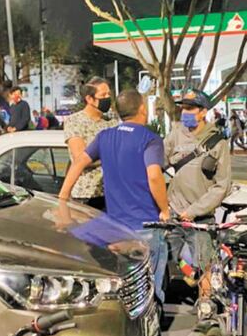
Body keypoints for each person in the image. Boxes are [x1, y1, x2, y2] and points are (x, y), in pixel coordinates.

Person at [58, 89, 170, 302]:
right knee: (150, 288)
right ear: (142, 109)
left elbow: (79, 162)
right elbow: (154, 176)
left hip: (116, 227)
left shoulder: (105, 136)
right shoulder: (150, 139)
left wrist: (62, 198)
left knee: (126, 286)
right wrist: (164, 209)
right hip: (145, 225)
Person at [165, 89, 232, 283]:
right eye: (183, 108)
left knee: (205, 270)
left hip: (201, 219)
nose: (185, 112)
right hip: (173, 215)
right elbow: (155, 166)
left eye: (190, 108)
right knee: (166, 260)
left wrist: (194, 211)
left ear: (203, 111)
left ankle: (207, 308)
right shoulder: (175, 135)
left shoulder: (218, 142)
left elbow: (222, 185)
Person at [62, 77, 116, 210]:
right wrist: (109, 156)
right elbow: (80, 157)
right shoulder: (74, 121)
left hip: (110, 193)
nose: (107, 98)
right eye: (103, 95)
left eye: (109, 94)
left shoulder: (111, 122)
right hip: (86, 195)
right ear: (90, 99)